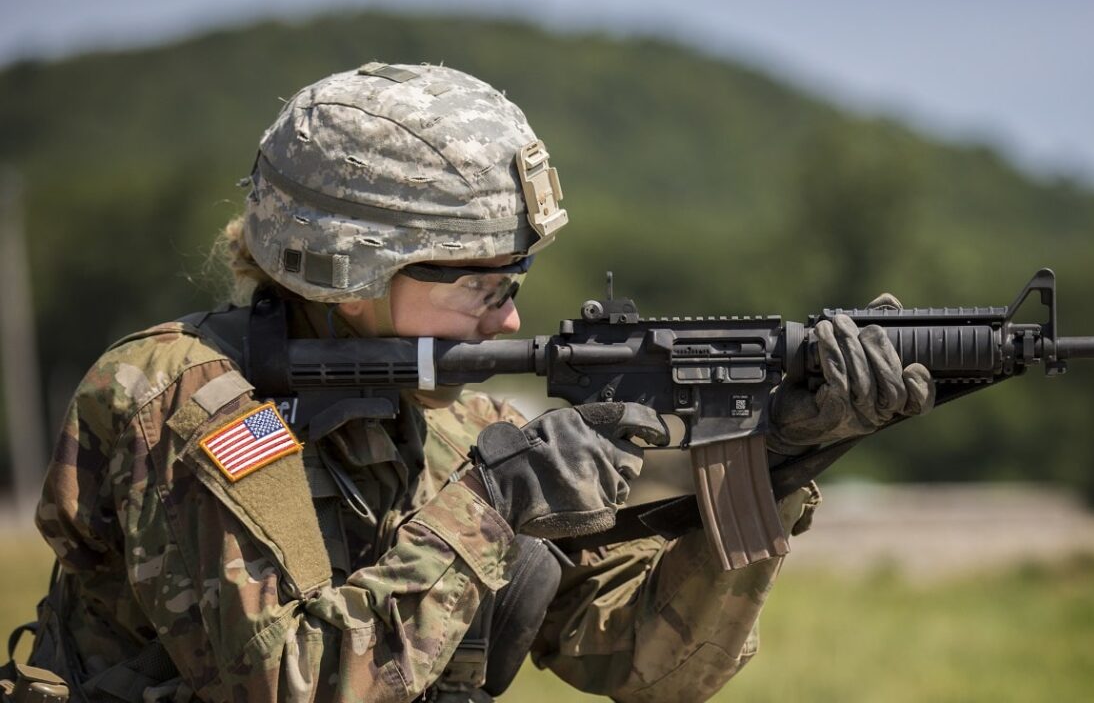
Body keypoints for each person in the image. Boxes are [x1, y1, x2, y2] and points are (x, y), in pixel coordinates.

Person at [23, 62, 933, 702]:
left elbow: (653, 666)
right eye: (479, 284)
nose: (506, 320)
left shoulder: (454, 423)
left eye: (516, 285)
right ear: (350, 267)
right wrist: (493, 504)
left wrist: (773, 463)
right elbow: (290, 684)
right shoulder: (182, 400)